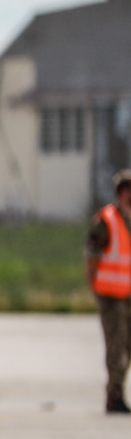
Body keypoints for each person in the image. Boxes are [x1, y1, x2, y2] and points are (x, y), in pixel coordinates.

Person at [86, 170, 131, 414]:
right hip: (112, 296)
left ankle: (117, 391)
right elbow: (91, 256)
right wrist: (94, 286)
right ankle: (114, 396)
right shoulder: (106, 220)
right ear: (122, 193)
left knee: (127, 347)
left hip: (128, 293)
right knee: (116, 347)